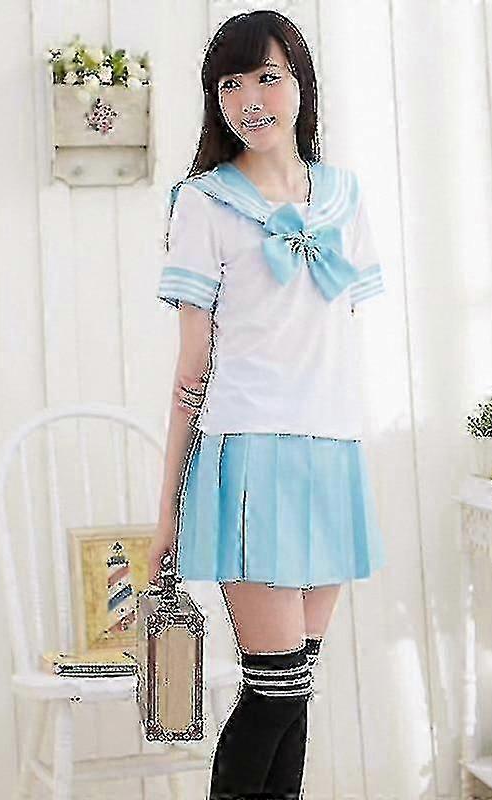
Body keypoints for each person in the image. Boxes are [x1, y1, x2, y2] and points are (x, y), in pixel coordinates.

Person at [149, 9, 386, 799]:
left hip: (331, 452)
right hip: (248, 455)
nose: (250, 99)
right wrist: (167, 511)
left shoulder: (343, 197)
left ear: (301, 85)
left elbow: (336, 339)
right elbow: (191, 369)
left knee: (297, 688)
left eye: (267, 78)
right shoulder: (204, 202)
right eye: (231, 84)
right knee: (276, 689)